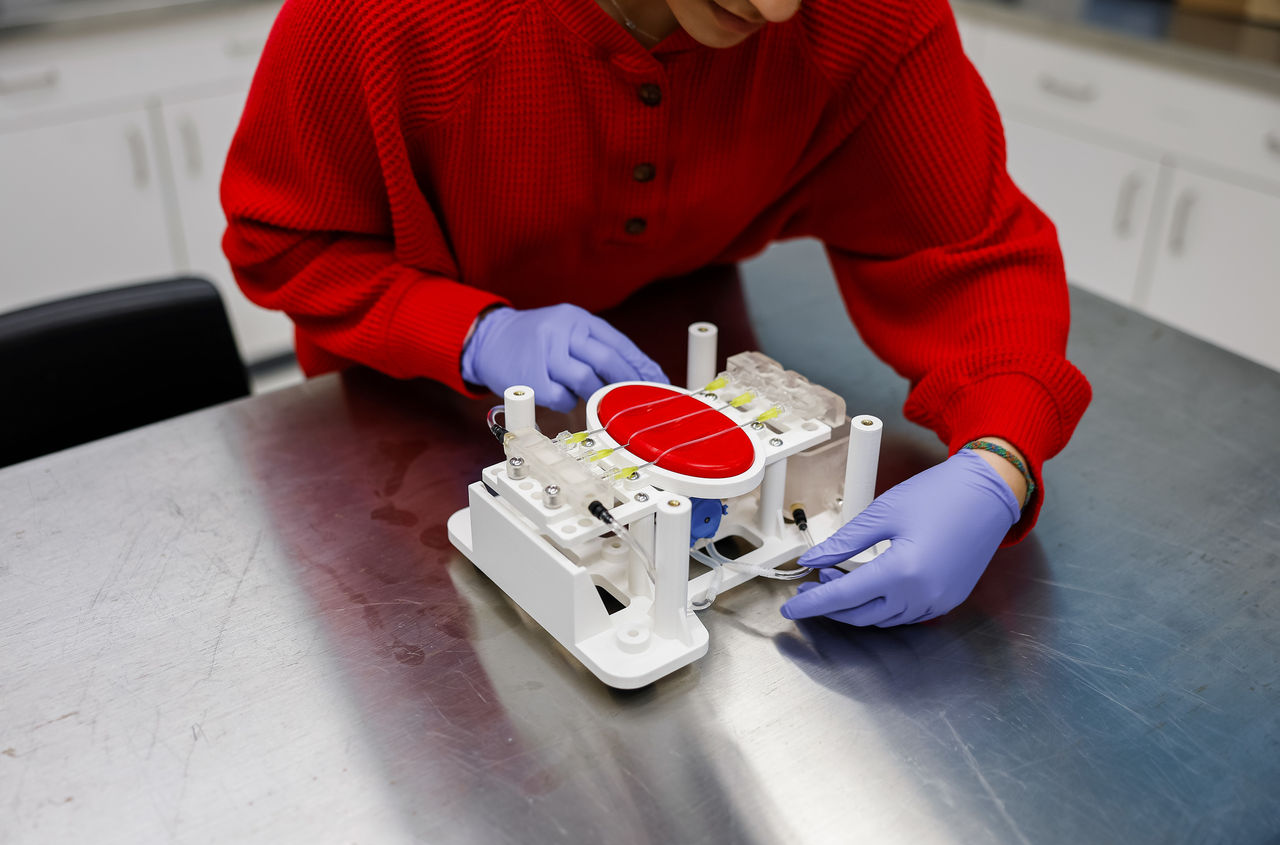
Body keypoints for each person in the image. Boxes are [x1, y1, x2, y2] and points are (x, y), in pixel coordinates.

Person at [221, 0, 1091, 628]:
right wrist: (469, 331)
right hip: (393, 435)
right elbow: (284, 244)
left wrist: (1000, 460)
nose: (773, 8)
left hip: (678, 339)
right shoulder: (378, 19)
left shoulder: (864, 17)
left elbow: (973, 251)